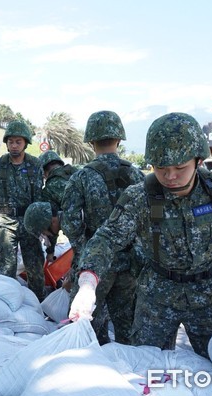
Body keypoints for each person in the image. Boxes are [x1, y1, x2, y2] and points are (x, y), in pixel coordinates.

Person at [69, 112, 212, 358]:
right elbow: (107, 239)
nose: (170, 176)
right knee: (146, 369)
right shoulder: (140, 197)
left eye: (180, 167)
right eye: (161, 168)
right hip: (157, 298)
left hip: (210, 296)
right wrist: (88, 281)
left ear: (198, 160)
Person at [61, 110, 145, 345]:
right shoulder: (137, 174)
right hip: (129, 263)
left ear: (91, 141)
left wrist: (83, 251)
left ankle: (93, 372)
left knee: (85, 325)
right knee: (126, 325)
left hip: (94, 268)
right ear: (119, 140)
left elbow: (70, 220)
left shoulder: (82, 177)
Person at [0, 121, 46, 301]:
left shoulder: (35, 165)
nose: (14, 145)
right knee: (5, 268)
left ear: (25, 143)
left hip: (29, 221)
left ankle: (37, 305)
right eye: (10, 142)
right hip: (5, 219)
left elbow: (39, 196)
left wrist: (43, 227)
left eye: (18, 142)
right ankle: (5, 304)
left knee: (35, 267)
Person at [37, 150, 77, 262]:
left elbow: (53, 222)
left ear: (44, 171)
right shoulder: (77, 173)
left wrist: (50, 252)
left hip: (77, 232)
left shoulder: (49, 190)